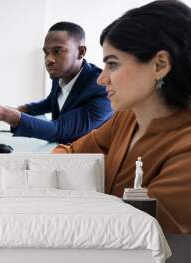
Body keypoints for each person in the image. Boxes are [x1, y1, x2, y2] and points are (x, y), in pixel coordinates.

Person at [53, 0, 191, 234]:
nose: (101, 79)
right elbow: (71, 154)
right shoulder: (127, 117)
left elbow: (133, 234)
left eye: (113, 65)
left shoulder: (186, 152)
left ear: (159, 65)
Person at [0, 22, 112, 143]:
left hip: (88, 161)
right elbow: (52, 101)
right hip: (61, 150)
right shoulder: (62, 74)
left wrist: (5, 114)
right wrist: (17, 109)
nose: (49, 59)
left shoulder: (102, 89)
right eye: (46, 52)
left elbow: (59, 129)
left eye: (57, 51)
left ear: (81, 52)